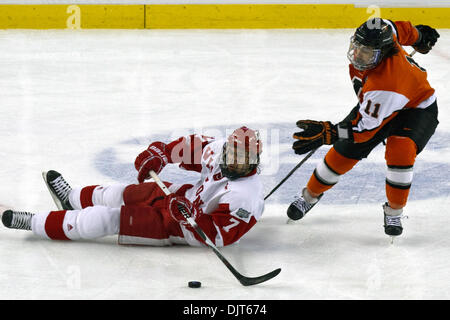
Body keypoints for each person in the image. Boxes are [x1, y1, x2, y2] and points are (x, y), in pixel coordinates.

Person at [287, 18, 440, 238]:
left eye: (367, 52)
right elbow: (398, 28)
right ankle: (309, 196)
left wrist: (330, 132)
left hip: (416, 110)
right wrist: (419, 36)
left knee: (401, 152)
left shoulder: (388, 85)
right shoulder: (383, 34)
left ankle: (394, 210)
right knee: (342, 154)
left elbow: (362, 131)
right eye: (357, 47)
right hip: (377, 105)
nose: (358, 55)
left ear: (384, 52)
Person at [2, 126, 265, 247]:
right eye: (233, 153)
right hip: (182, 196)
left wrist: (192, 218)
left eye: (243, 159)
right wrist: (161, 154)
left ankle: (33, 222)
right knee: (120, 193)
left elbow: (218, 237)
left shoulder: (246, 196)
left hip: (178, 227)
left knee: (105, 218)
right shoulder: (219, 150)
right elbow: (188, 147)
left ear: (254, 160)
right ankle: (70, 198)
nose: (235, 161)